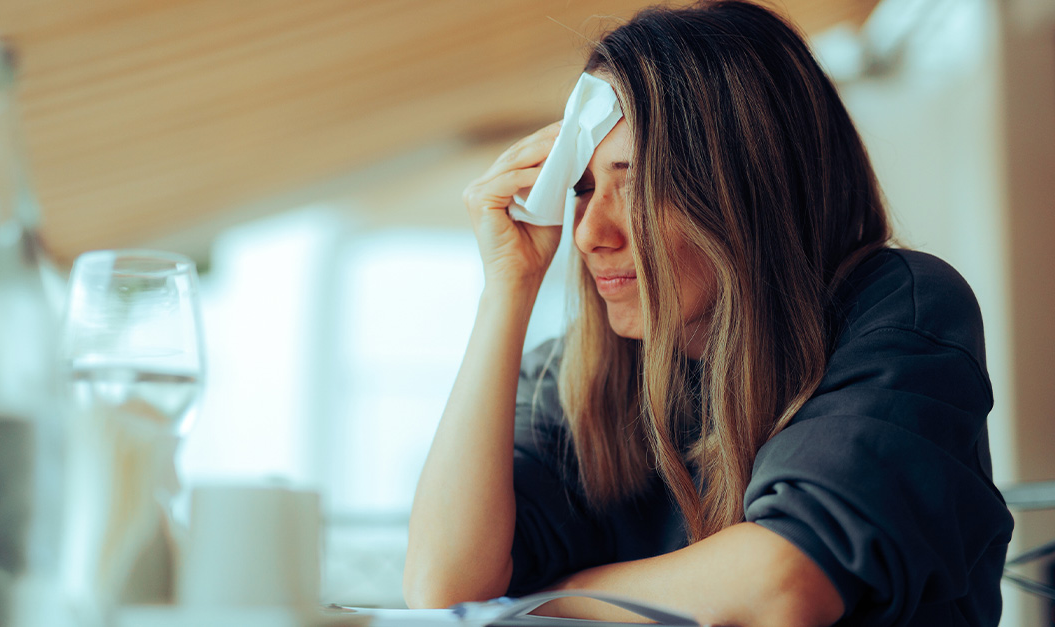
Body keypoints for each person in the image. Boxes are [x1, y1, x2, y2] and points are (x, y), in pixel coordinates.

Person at [402, 2, 1014, 626]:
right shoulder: (575, 374)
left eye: (637, 182)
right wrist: (506, 289)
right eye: (581, 187)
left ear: (750, 184)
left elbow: (783, 585)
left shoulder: (899, 307)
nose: (588, 234)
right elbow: (445, 587)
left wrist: (541, 598)